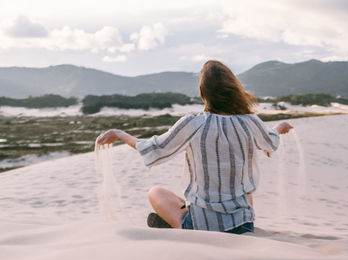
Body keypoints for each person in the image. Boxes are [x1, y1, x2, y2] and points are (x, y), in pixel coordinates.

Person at [96, 60, 293, 234]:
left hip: (203, 227)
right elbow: (271, 141)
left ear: (202, 93)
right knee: (244, 190)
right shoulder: (249, 121)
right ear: (234, 90)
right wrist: (279, 126)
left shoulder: (193, 123)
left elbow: (153, 149)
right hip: (243, 225)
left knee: (155, 192)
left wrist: (119, 134)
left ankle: (179, 228)